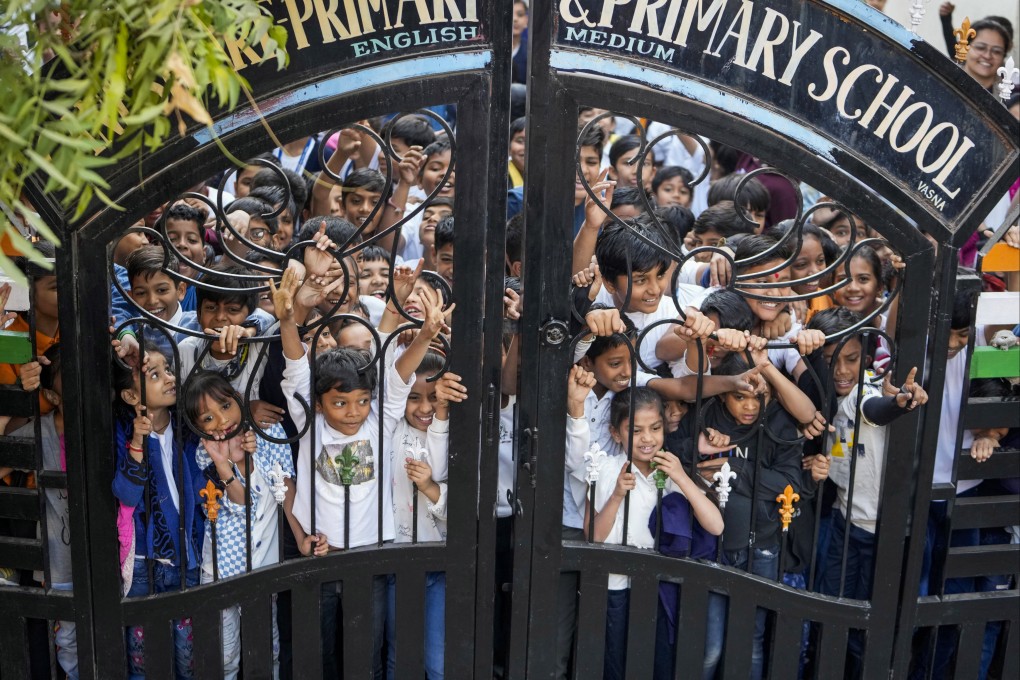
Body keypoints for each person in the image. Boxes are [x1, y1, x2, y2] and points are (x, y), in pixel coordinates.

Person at [275, 226, 452, 675]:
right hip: (320, 555)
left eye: (359, 401)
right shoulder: (309, 422)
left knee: (365, 657)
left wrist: (424, 336)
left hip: (371, 560)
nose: (352, 412)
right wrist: (287, 321)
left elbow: (399, 372)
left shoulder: (378, 419)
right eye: (339, 403)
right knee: (319, 657)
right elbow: (296, 365)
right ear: (319, 403)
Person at [805, 308, 927, 677]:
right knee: (832, 611)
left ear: (869, 357)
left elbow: (875, 410)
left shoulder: (866, 391)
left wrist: (900, 403)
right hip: (845, 523)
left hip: (880, 533)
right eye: (833, 360)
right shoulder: (831, 398)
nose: (841, 370)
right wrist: (819, 464)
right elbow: (845, 449)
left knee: (865, 625)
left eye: (852, 359)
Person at [667, 352, 804, 680]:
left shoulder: (779, 424)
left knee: (749, 643)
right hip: (711, 547)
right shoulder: (706, 415)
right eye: (740, 397)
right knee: (710, 646)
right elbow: (671, 456)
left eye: (759, 397)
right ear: (723, 393)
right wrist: (699, 449)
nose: (750, 406)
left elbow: (790, 484)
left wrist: (734, 467)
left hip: (762, 546)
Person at [584, 387, 723, 680]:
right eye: (635, 431)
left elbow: (716, 526)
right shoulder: (605, 470)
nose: (647, 438)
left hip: (662, 587)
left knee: (658, 663)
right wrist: (617, 495)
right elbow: (592, 538)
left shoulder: (672, 470)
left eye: (655, 428)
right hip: (615, 586)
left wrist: (681, 477)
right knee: (617, 662)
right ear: (616, 433)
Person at [184, 371, 296, 680]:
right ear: (197, 426)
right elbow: (242, 502)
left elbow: (285, 489)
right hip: (220, 569)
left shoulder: (268, 435)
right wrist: (226, 464)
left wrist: (301, 537)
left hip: (262, 566)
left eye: (225, 406)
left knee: (265, 651)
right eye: (208, 418)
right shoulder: (204, 453)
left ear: (239, 401)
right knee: (224, 656)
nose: (222, 420)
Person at [112, 344, 204, 679]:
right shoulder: (123, 434)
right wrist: (138, 443)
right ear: (129, 396)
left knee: (188, 659)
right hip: (143, 563)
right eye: (155, 374)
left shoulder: (188, 428)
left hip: (186, 558)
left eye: (168, 369)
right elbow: (126, 493)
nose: (169, 378)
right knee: (144, 662)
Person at [385, 350, 465, 679]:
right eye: (414, 398)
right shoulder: (390, 430)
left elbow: (448, 481)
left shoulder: (454, 434)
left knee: (436, 660)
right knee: (398, 653)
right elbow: (389, 377)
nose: (424, 408)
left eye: (433, 397)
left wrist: (430, 486)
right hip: (395, 560)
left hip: (438, 562)